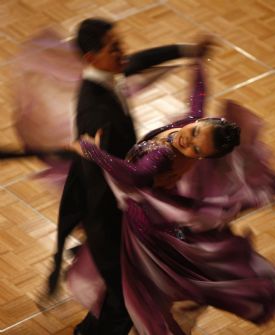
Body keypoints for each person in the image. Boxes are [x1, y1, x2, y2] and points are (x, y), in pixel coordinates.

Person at [68, 58, 275, 335]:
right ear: (202, 122)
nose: (188, 141)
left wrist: (91, 150)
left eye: (196, 149)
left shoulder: (162, 157)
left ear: (204, 157)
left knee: (131, 286)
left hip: (142, 224)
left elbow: (134, 177)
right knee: (124, 278)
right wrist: (200, 63)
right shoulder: (191, 123)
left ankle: (97, 329)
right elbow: (197, 100)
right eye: (195, 133)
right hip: (151, 212)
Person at [45, 18, 216, 335]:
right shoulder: (94, 113)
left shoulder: (107, 73)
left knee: (125, 287)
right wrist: (111, 225)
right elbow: (98, 178)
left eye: (119, 42)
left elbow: (137, 60)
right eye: (114, 47)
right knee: (127, 293)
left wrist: (188, 50)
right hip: (109, 214)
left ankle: (90, 329)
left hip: (122, 208)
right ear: (91, 58)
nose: (123, 51)